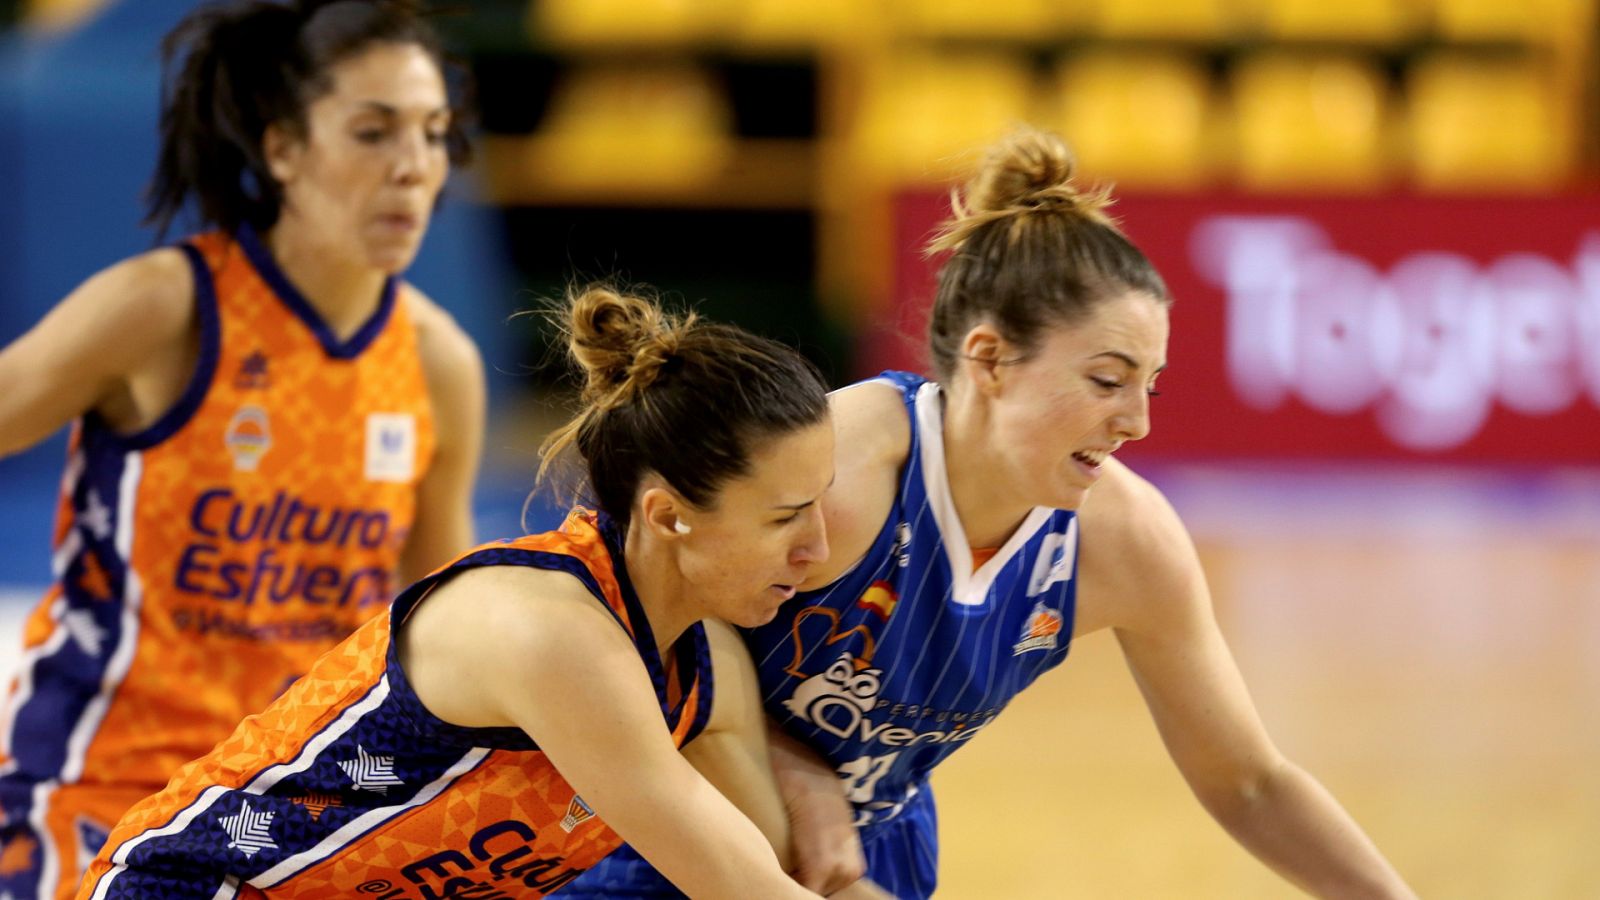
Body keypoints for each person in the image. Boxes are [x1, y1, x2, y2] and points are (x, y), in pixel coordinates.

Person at [566, 127, 1418, 898]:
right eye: (1107, 380)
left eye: (1150, 386)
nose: (1137, 422)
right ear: (990, 360)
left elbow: (1250, 783)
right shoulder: (840, 464)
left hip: (867, 850)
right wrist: (785, 773)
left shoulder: (1125, 539)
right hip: (659, 821)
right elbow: (650, 611)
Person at [75, 284, 869, 900]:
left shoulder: (694, 665)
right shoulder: (554, 633)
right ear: (668, 516)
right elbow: (741, 887)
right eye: (784, 517)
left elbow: (779, 869)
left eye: (820, 504)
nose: (818, 549)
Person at [0, 3, 485, 897]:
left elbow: (441, 635)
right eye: (373, 132)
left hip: (295, 797)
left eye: (432, 133)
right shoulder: (163, 308)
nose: (414, 166)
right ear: (283, 149)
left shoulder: (439, 363)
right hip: (110, 784)